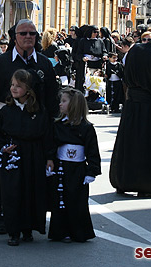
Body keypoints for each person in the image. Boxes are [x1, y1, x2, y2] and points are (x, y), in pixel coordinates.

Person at [0, 19, 58, 235]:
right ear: (15, 37)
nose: (28, 37)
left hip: (35, 128)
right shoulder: (1, 62)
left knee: (32, 175)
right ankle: (0, 215)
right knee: (3, 173)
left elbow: (52, 97)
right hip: (9, 125)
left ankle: (30, 219)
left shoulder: (43, 64)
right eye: (23, 33)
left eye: (33, 33)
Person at [109, 21, 151, 197]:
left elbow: (125, 74)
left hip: (132, 103)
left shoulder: (136, 49)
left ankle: (122, 180)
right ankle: (146, 184)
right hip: (150, 105)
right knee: (147, 145)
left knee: (128, 143)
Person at [0, 69, 50, 246]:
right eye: (12, 85)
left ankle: (28, 229)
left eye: (18, 86)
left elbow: (47, 136)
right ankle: (13, 231)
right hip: (13, 156)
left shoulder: (39, 111)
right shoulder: (7, 111)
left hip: (33, 156)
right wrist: (2, 147)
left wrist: (49, 157)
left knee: (31, 192)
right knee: (12, 193)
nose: (13, 89)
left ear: (29, 89)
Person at [47, 88, 100, 243]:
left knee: (78, 201)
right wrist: (50, 160)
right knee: (60, 200)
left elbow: (92, 151)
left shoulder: (86, 128)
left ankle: (79, 232)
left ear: (74, 104)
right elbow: (51, 145)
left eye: (64, 101)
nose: (60, 104)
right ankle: (60, 232)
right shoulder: (57, 125)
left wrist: (92, 171)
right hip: (62, 167)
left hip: (78, 169)